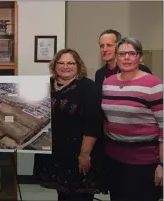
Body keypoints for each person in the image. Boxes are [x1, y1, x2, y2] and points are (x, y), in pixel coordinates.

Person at [33, 49, 107, 201]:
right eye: (61, 63)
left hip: (79, 152)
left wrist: (84, 154)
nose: (65, 66)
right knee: (63, 194)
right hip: (56, 153)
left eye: (70, 63)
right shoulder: (47, 85)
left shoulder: (87, 87)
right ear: (54, 65)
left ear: (78, 65)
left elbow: (93, 123)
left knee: (79, 196)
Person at [101, 36, 163, 201]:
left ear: (140, 57)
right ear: (116, 57)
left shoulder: (154, 85)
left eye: (131, 53)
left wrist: (162, 165)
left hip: (144, 162)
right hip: (114, 159)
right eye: (122, 54)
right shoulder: (108, 83)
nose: (126, 58)